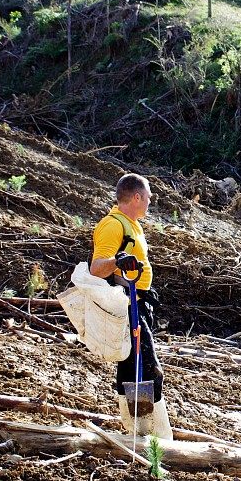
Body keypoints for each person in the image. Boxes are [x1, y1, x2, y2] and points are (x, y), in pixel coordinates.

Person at [90, 173, 171, 439]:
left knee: (131, 369)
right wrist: (118, 261)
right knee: (148, 370)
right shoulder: (113, 225)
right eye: (148, 197)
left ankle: (137, 430)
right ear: (136, 197)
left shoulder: (132, 224)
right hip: (127, 308)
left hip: (139, 304)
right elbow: (96, 268)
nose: (150, 202)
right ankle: (152, 434)